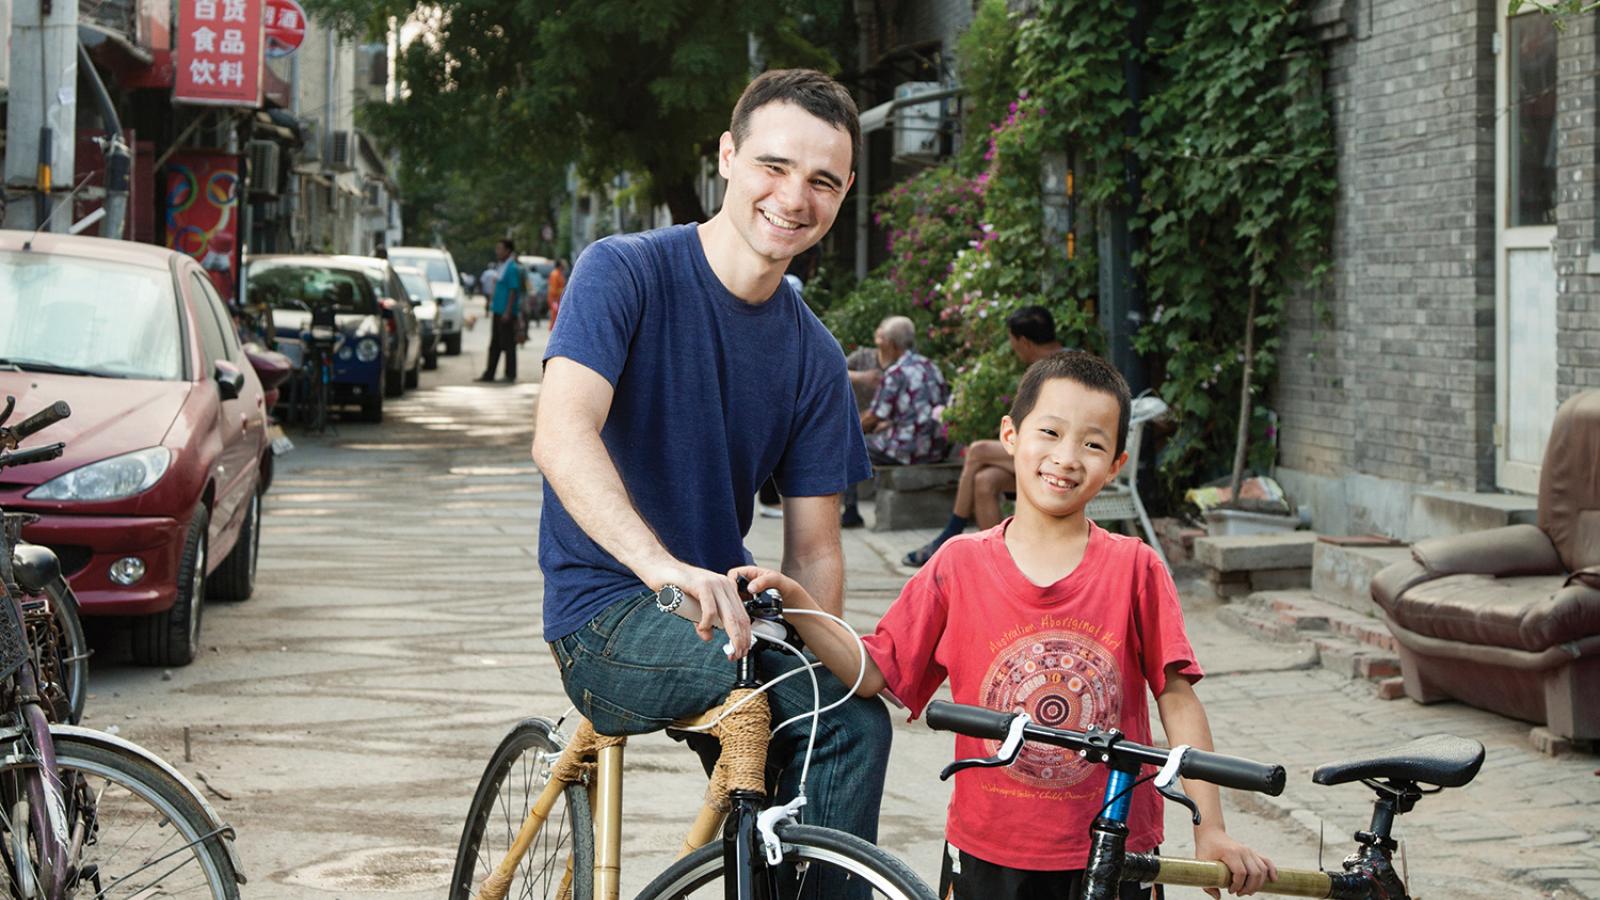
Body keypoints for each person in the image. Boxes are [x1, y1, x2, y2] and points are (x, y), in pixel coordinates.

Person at [732, 350, 1277, 900]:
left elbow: (1177, 698)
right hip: (987, 849)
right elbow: (874, 674)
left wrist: (1212, 831)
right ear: (1011, 435)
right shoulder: (957, 565)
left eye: (1092, 444)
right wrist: (800, 601)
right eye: (1050, 433)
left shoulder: (1136, 567)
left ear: (1115, 465)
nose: (1066, 458)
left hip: (1117, 849)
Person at [531, 68, 889, 871]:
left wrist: (825, 660)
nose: (794, 199)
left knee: (850, 723)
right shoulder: (622, 271)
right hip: (606, 613)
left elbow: (815, 551)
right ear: (726, 157)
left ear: (844, 193)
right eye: (773, 166)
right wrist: (664, 568)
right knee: (762, 683)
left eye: (822, 181)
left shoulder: (815, 358)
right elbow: (561, 435)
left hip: (724, 624)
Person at [903, 304, 1063, 565]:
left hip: (1056, 457)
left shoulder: (1057, 370)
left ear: (1023, 341)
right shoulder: (1049, 365)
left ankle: (949, 534)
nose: (1012, 348)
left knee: (977, 450)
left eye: (1012, 341)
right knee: (984, 481)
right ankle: (1001, 563)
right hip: (1041, 453)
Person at [840, 315, 949, 527]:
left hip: (907, 449)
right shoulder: (930, 366)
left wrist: (847, 431)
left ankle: (850, 512)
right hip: (935, 447)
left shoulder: (896, 372)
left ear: (891, 344)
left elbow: (873, 417)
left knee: (846, 446)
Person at [477, 238, 523, 383]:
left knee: (508, 344)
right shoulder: (501, 266)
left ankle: (510, 374)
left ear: (508, 251)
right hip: (498, 310)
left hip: (506, 312)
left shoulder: (512, 268)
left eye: (500, 249)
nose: (498, 252)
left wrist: (508, 311)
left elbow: (513, 290)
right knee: (495, 343)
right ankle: (489, 373)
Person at [546, 258, 568, 331]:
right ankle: (553, 330)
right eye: (563, 264)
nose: (564, 265)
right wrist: (563, 291)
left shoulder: (559, 273)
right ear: (560, 265)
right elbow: (554, 290)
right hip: (554, 299)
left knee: (556, 314)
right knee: (555, 314)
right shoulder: (555, 274)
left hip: (557, 299)